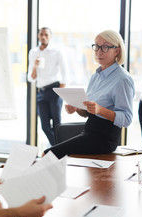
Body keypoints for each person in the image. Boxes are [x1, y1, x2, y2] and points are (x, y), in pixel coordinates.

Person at [43, 30, 135, 159]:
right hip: (88, 133)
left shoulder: (122, 79)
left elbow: (126, 119)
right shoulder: (95, 77)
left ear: (117, 50)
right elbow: (87, 113)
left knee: (48, 155)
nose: (99, 51)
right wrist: (77, 108)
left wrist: (100, 110)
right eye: (97, 46)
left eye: (105, 47)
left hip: (104, 139)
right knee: (50, 155)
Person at [28, 27, 67, 146]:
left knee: (57, 124)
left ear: (50, 37)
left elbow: (65, 72)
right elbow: (31, 78)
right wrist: (35, 66)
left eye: (46, 34)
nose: (43, 37)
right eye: (41, 34)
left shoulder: (57, 51)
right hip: (41, 92)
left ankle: (57, 150)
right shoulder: (33, 52)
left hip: (54, 89)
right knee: (44, 126)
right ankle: (59, 148)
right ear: (38, 36)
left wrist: (62, 90)